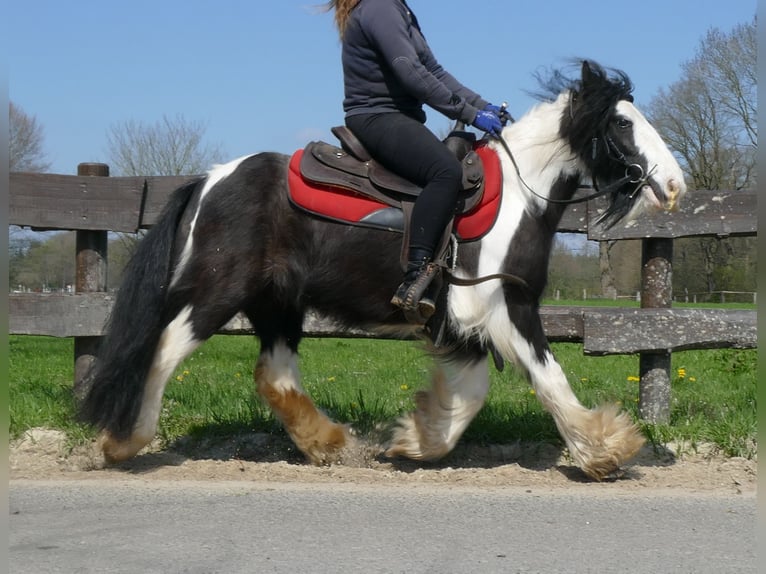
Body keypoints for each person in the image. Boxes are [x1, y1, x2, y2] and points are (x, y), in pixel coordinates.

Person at [324, 0, 505, 320]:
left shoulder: (398, 8)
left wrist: (482, 104)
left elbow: (433, 71)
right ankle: (416, 274)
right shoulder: (380, 7)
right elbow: (409, 72)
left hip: (398, 118)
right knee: (445, 171)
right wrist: (470, 114)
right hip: (376, 116)